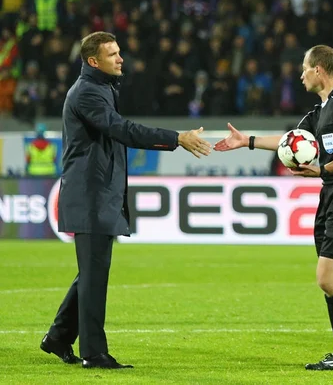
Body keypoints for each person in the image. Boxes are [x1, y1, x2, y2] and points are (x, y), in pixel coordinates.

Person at [39, 31, 212, 369]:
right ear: (93, 61)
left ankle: (59, 336)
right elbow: (123, 130)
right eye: (113, 54)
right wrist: (176, 138)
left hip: (98, 193)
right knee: (93, 276)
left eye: (119, 52)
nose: (121, 59)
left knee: (90, 272)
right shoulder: (89, 92)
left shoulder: (100, 88)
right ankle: (94, 353)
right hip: (90, 195)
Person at [214, 45, 333, 371]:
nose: (300, 74)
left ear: (319, 69)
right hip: (331, 195)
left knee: (327, 279)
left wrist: (323, 170)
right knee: (331, 279)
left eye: (304, 68)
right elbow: (288, 139)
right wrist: (246, 140)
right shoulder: (318, 111)